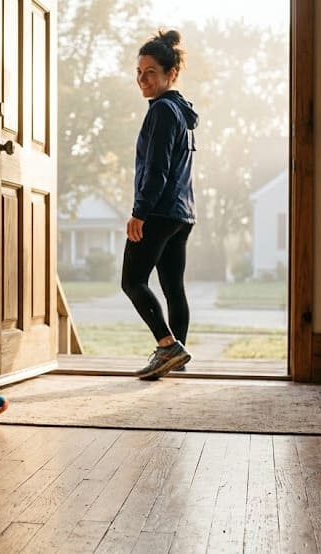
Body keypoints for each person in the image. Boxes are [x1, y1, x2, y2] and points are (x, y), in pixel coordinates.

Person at [122, 29, 198, 380]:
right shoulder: (181, 113)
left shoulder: (163, 112)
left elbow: (157, 169)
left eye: (150, 72)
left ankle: (168, 346)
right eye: (139, 72)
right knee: (172, 288)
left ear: (170, 74)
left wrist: (139, 211)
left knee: (132, 280)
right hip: (181, 214)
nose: (142, 79)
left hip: (159, 211)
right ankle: (175, 355)